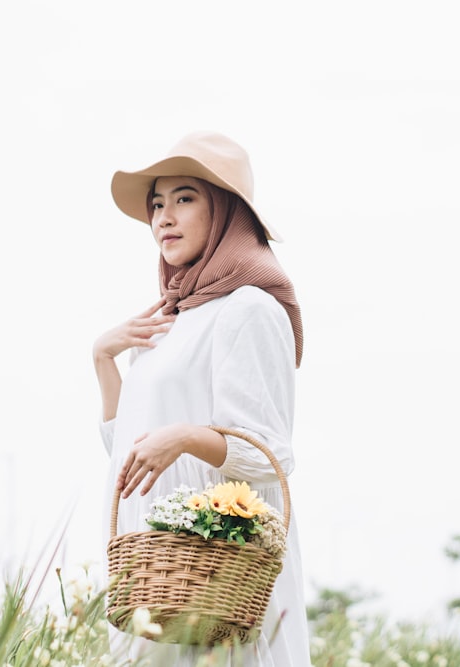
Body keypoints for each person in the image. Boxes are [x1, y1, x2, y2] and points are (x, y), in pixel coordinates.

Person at [93, 131, 310, 666]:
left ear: (226, 212)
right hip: (155, 573)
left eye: (185, 198)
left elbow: (269, 453)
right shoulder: (171, 320)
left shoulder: (249, 309)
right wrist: (104, 361)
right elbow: (130, 451)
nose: (164, 217)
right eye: (157, 204)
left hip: (218, 574)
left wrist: (186, 438)